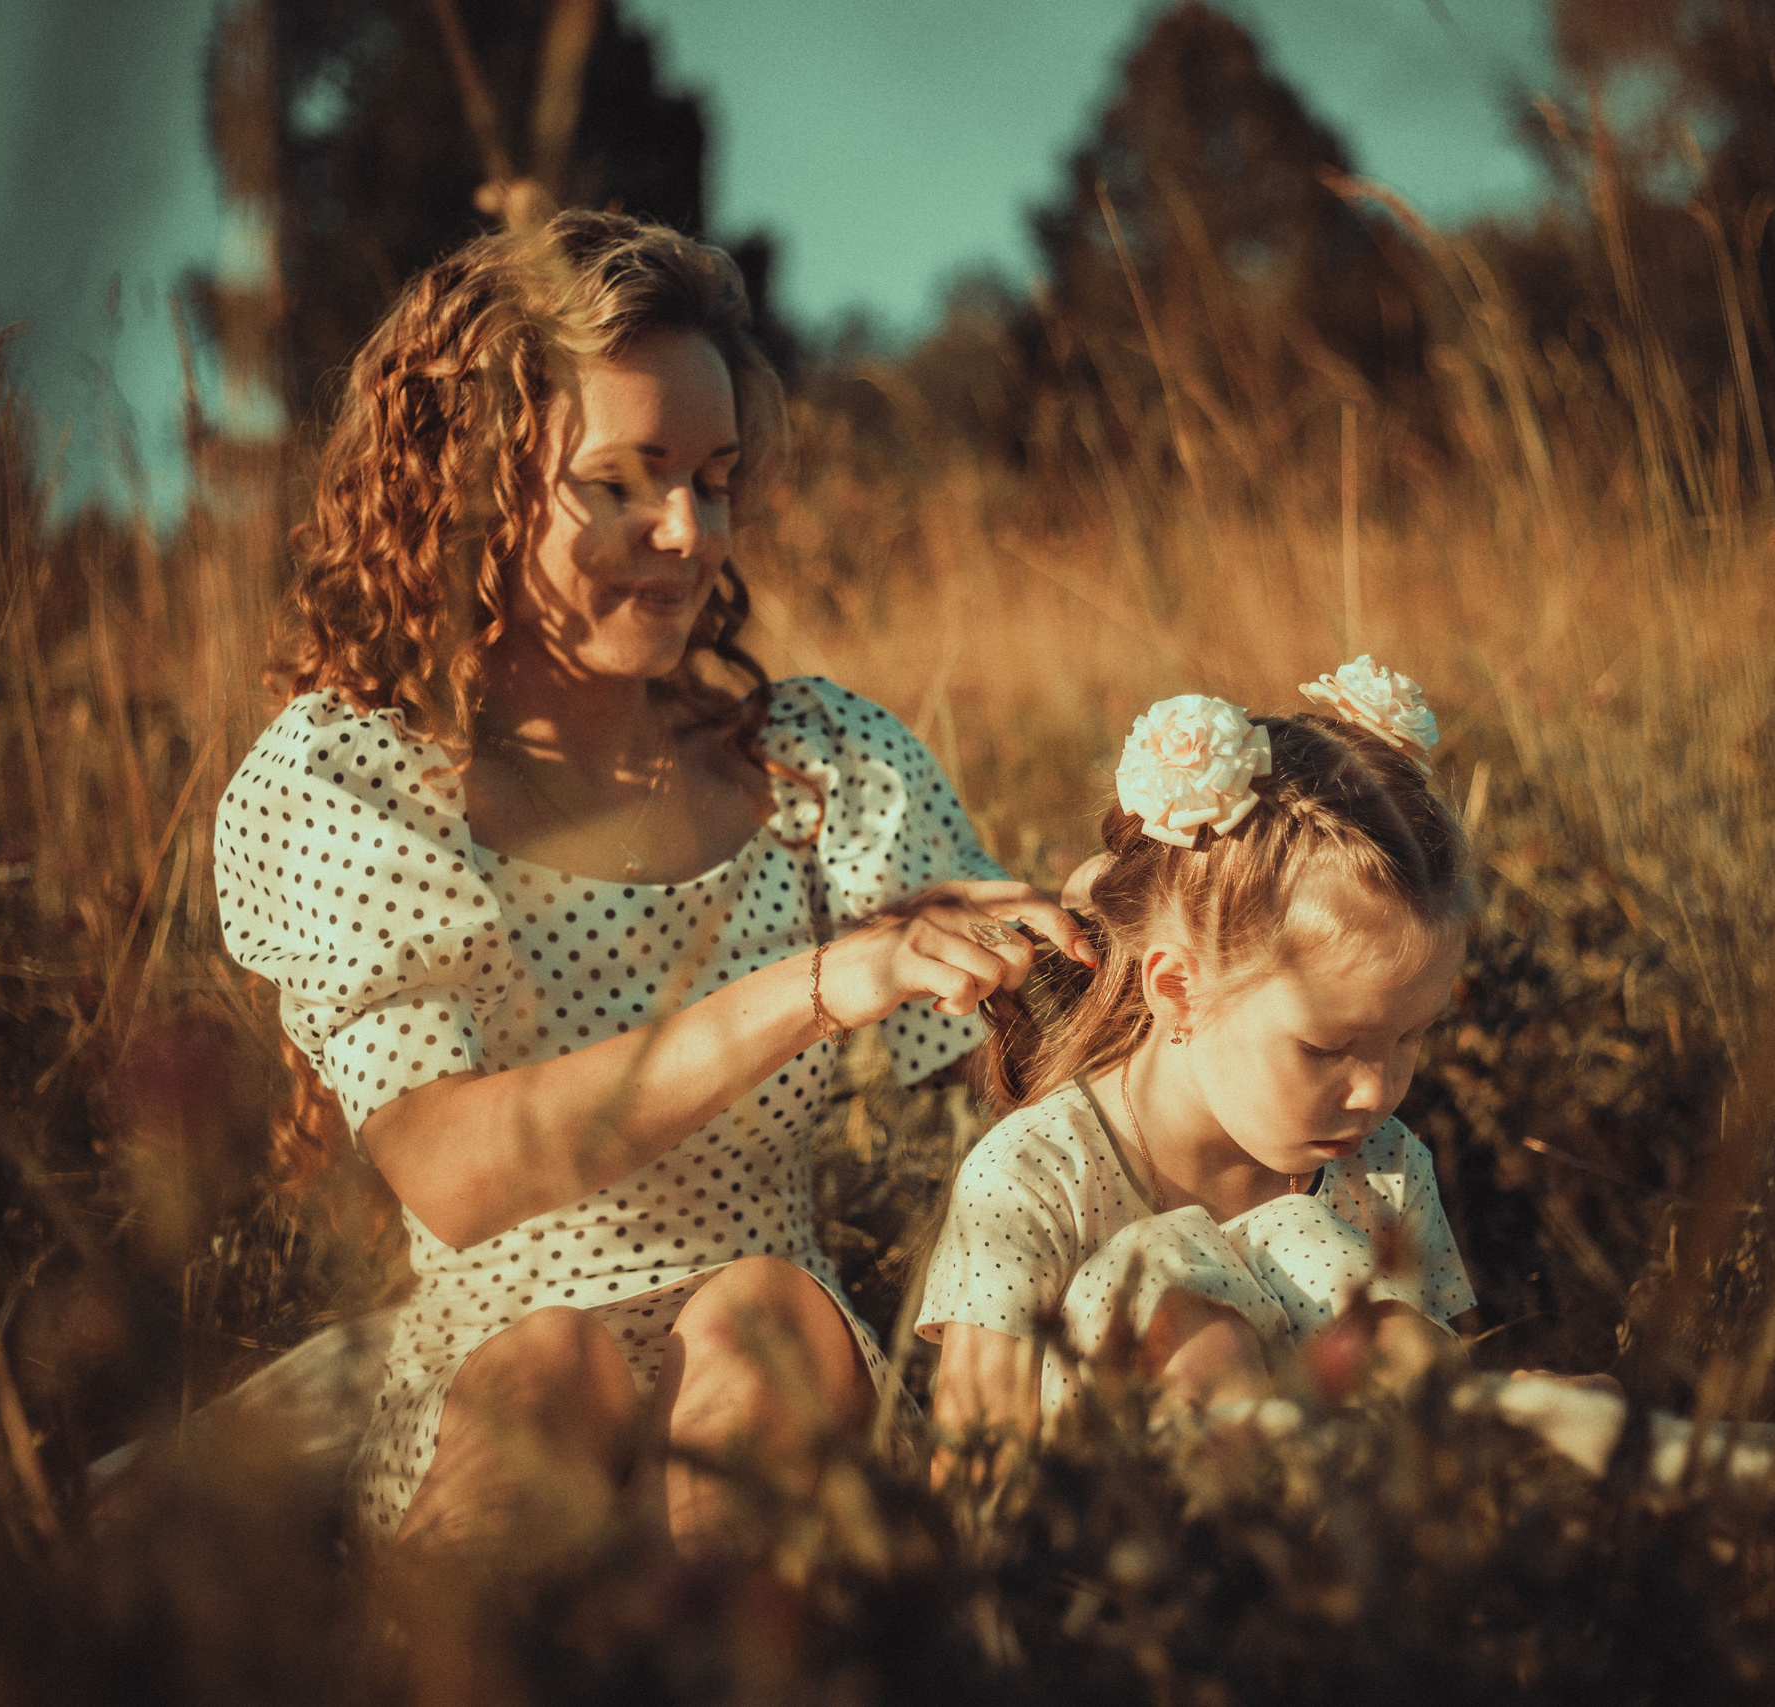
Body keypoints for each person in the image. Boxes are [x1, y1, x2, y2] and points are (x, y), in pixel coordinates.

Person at [210, 211, 1089, 1550]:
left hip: (775, 1373)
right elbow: (452, 1166)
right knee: (549, 1364)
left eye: (716, 477)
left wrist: (1119, 938)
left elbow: (1028, 1076)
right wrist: (810, 986)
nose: (689, 531)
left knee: (766, 1314)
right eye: (626, 479)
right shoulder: (359, 780)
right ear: (470, 481)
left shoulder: (817, 761)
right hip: (497, 1359)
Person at [918, 662, 1478, 1437]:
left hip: (1363, 1528)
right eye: (1325, 1048)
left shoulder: (1382, 1168)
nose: (1375, 1091)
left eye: (1412, 1036)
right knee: (1163, 1266)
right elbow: (975, 1473)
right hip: (1118, 1536)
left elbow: (1440, 1393)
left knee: (1320, 1250)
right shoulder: (1033, 1180)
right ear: (1177, 989)